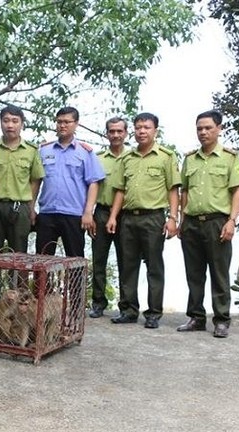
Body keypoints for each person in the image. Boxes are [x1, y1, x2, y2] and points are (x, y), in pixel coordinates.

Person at [106, 112, 181, 329]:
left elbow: (173, 189)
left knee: (154, 266)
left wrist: (173, 218)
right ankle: (128, 310)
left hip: (153, 218)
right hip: (128, 219)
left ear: (155, 130)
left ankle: (153, 313)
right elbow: (120, 190)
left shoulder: (166, 157)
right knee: (127, 266)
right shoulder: (127, 159)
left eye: (146, 127)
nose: (142, 131)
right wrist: (113, 217)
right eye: (138, 127)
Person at [177, 110, 239, 338]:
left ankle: (222, 320)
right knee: (194, 273)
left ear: (219, 129)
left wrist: (232, 221)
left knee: (219, 273)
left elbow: (237, 191)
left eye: (208, 128)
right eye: (199, 128)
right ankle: (196, 317)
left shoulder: (230, 158)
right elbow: (184, 190)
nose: (203, 132)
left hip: (218, 222)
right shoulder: (189, 159)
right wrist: (182, 220)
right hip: (192, 224)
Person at [37, 107, 105, 257]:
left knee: (75, 262)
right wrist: (31, 208)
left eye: (67, 122)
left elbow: (94, 182)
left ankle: (76, 282)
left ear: (76, 124)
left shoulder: (85, 152)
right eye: (59, 122)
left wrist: (88, 212)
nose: (62, 125)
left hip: (73, 214)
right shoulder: (44, 150)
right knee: (41, 262)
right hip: (47, 213)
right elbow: (36, 180)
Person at [0, 105, 44, 255]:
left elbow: (35, 180)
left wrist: (31, 207)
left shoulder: (31, 150)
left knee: (19, 256)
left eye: (15, 121)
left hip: (20, 208)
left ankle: (17, 280)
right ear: (0, 123)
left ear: (22, 124)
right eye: (6, 120)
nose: (10, 125)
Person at [89, 117, 128, 318]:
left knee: (126, 262)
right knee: (99, 261)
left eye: (119, 131)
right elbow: (89, 187)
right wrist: (90, 214)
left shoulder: (132, 157)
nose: (115, 135)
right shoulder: (98, 158)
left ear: (125, 133)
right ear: (107, 134)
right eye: (112, 131)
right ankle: (98, 303)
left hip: (126, 216)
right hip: (102, 212)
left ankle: (126, 306)